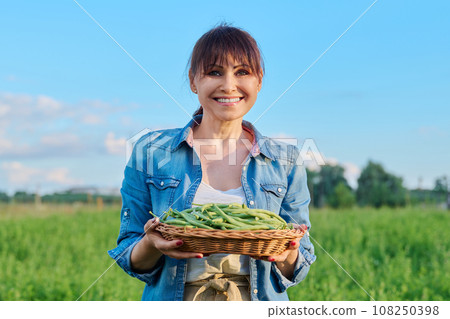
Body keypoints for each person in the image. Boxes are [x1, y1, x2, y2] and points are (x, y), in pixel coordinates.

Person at [108, 23, 316, 301]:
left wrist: (287, 253)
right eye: (214, 72)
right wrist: (151, 243)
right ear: (194, 81)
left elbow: (298, 265)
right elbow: (129, 255)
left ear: (259, 81)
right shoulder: (151, 152)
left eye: (242, 72)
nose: (229, 85)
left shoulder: (286, 160)